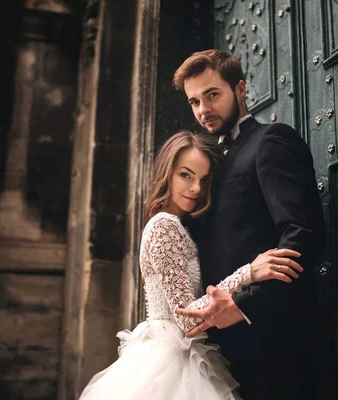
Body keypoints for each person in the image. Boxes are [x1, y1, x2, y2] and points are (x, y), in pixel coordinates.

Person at [79, 130, 305, 400]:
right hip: (169, 362)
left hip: (185, 354)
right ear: (167, 173)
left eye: (204, 179)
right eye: (185, 175)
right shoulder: (164, 225)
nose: (196, 188)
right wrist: (248, 272)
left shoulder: (181, 226)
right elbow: (186, 319)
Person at [173, 50, 325, 399]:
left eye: (212, 95)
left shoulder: (270, 140)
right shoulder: (206, 164)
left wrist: (245, 305)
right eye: (194, 101)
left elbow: (303, 233)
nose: (203, 110)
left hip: (273, 339)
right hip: (216, 348)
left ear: (240, 89)